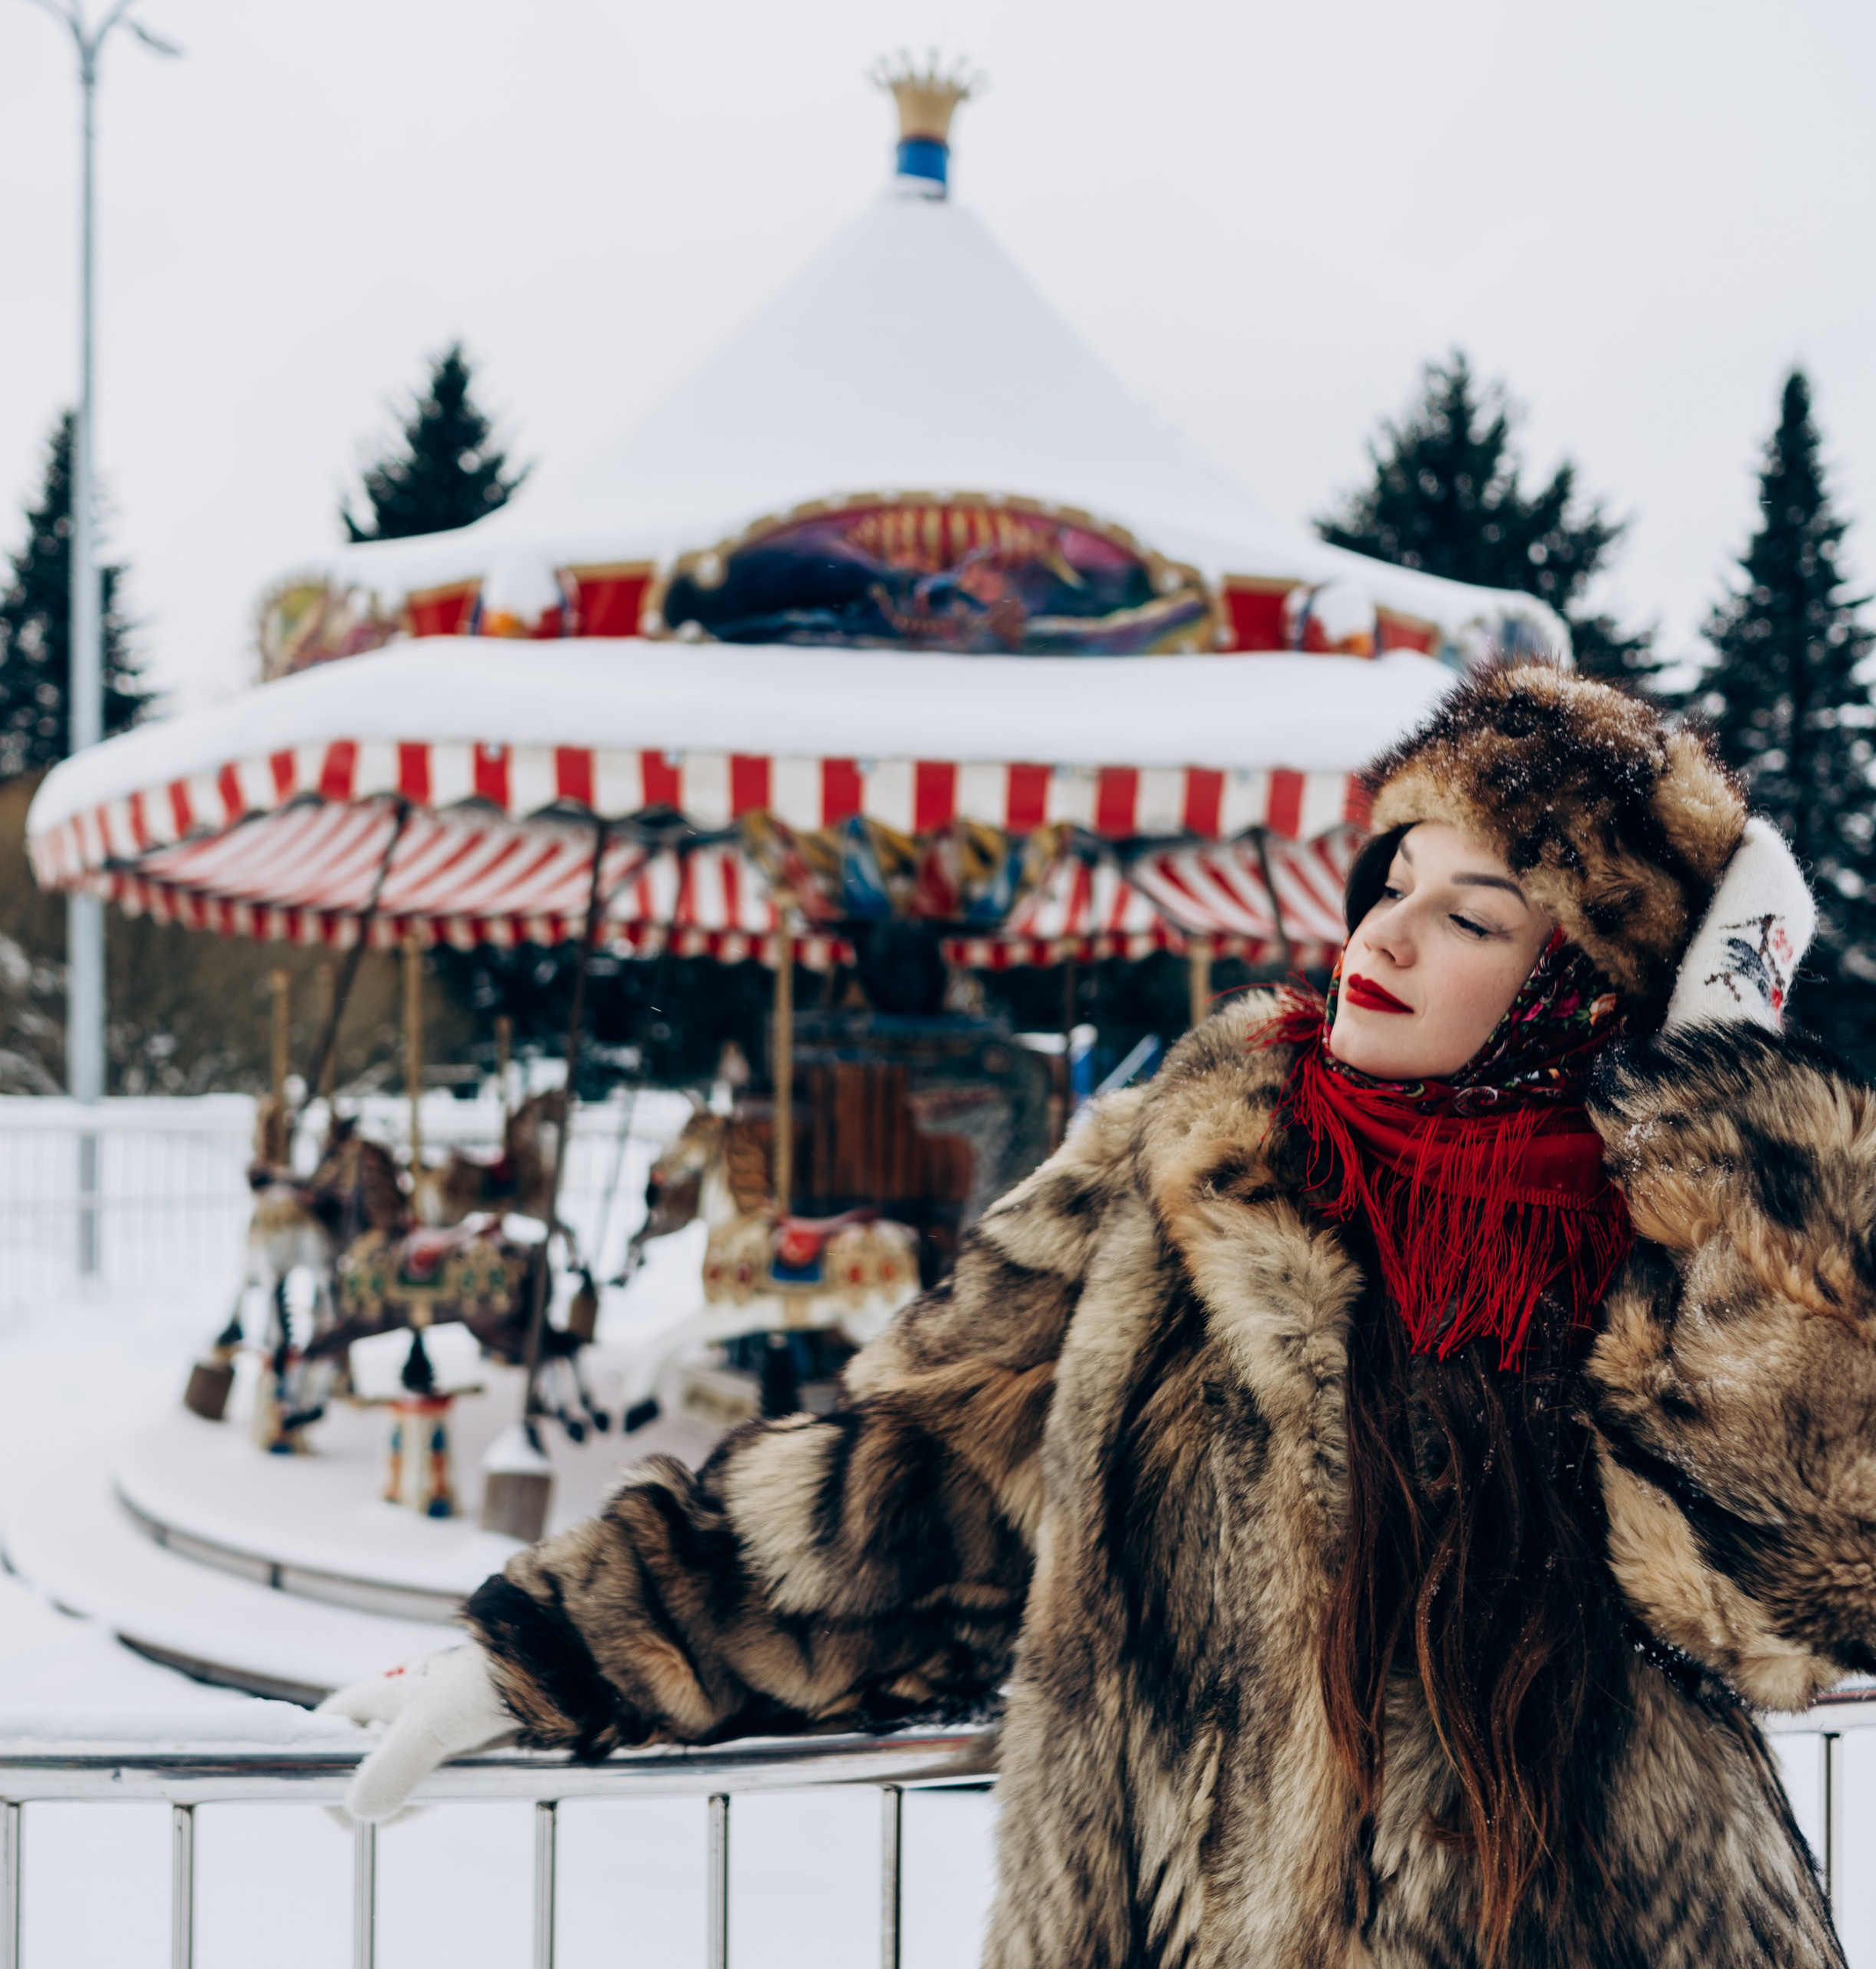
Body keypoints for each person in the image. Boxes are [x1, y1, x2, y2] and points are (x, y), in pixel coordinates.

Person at [322, 665, 1873, 1967]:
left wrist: (1733, 1127)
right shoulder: (1191, 1160)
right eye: (1388, 882)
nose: (1384, 938)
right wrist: (544, 1653)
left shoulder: (1665, 1235)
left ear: (1583, 989)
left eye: (1476, 915)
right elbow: (913, 1483)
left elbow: (1813, 1563)